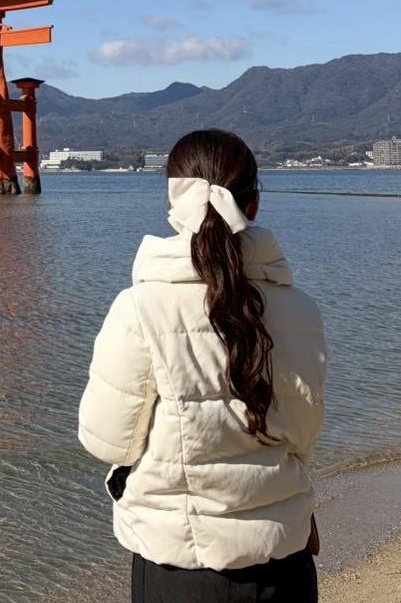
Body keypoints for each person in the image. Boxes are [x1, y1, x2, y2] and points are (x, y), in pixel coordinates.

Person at [78, 129, 326, 602]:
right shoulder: (300, 309)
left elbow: (106, 437)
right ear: (253, 203)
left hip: (178, 564)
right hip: (282, 556)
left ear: (174, 206)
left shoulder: (139, 308)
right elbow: (303, 433)